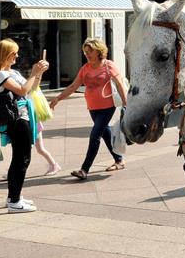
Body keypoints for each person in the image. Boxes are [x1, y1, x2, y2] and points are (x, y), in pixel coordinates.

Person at [50, 38, 128, 181]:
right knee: (105, 133)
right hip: (92, 107)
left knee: (95, 135)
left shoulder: (108, 66)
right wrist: (57, 99)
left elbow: (120, 85)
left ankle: (84, 169)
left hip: (107, 107)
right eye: (85, 52)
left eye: (90, 51)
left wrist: (125, 104)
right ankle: (119, 160)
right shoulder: (85, 69)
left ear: (98, 51)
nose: (87, 54)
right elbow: (73, 87)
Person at [0, 39, 49, 213]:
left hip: (22, 119)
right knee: (22, 159)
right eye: (13, 53)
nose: (17, 55)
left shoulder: (13, 72)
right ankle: (14, 201)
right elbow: (23, 91)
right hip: (16, 121)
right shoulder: (1, 74)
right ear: (5, 55)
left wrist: (38, 73)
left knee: (21, 158)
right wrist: (33, 72)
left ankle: (13, 196)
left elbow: (32, 88)